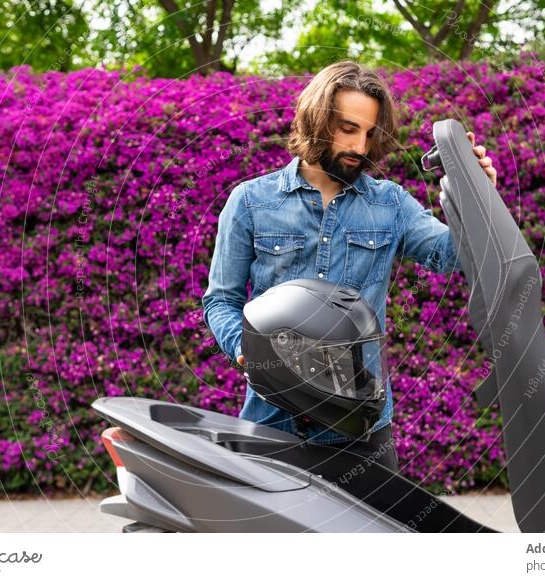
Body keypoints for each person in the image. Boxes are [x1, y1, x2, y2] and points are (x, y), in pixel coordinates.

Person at [201, 60, 497, 492]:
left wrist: (476, 198)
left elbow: (449, 255)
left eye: (369, 133)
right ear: (315, 119)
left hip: (359, 428)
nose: (360, 145)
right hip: (272, 421)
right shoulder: (249, 201)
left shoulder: (391, 204)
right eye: (347, 129)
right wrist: (248, 351)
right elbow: (221, 300)